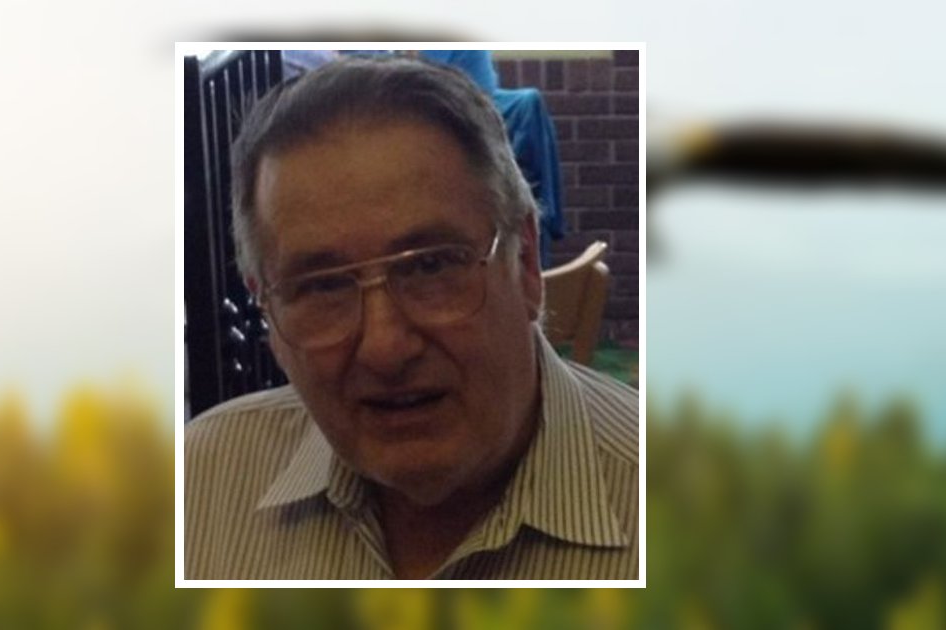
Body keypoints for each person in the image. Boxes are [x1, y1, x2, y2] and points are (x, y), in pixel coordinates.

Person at [184, 56, 638, 580]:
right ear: (265, 310)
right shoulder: (197, 488)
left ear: (526, 262)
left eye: (430, 266)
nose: (385, 348)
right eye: (323, 286)